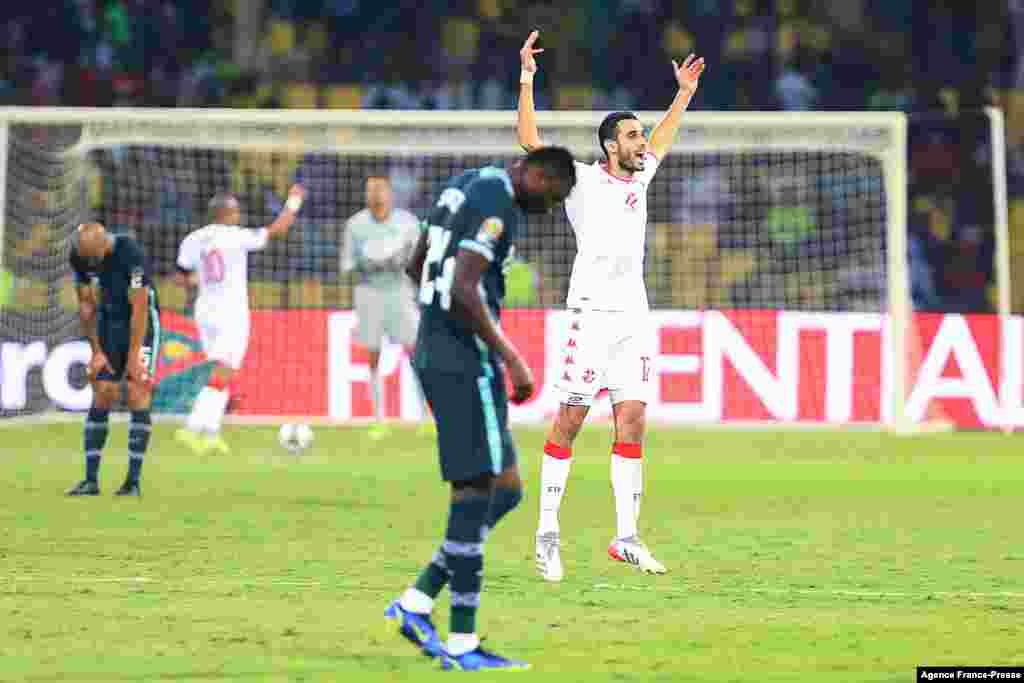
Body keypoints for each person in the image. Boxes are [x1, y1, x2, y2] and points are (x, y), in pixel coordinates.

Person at [517, 29, 705, 580]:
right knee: (570, 421)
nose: (642, 142)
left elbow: (666, 136)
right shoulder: (577, 180)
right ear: (609, 146)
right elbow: (529, 138)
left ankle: (626, 538)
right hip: (590, 315)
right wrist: (527, 77)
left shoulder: (643, 173)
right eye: (632, 136)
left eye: (641, 135)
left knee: (633, 420)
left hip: (633, 318)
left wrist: (684, 95)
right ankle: (547, 535)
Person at [384, 146, 577, 671]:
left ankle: (416, 602)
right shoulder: (497, 198)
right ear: (537, 175)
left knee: (507, 490)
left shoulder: (462, 182)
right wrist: (512, 357)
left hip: (437, 348)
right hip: (465, 359)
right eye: (553, 196)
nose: (551, 207)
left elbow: (416, 263)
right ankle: (463, 644)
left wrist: (437, 323)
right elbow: (466, 287)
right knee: (475, 492)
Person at [173, 185, 305, 454]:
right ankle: (191, 428)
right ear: (227, 214)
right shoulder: (237, 236)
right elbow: (278, 229)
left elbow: (180, 276)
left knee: (224, 370)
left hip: (204, 312)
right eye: (236, 211)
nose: (239, 215)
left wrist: (197, 280)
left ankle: (210, 435)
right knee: (224, 372)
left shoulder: (193, 239)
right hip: (230, 313)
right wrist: (294, 202)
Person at [66, 223, 161, 497]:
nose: (90, 264)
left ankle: (132, 482)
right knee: (103, 392)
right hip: (109, 322)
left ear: (104, 243)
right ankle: (90, 481)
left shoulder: (130, 253)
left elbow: (140, 307)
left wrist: (133, 356)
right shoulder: (80, 256)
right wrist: (95, 351)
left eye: (94, 258)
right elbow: (86, 307)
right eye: (86, 259)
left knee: (136, 391)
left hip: (141, 325)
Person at [341, 174, 427, 437]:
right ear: (367, 196)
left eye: (381, 191)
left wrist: (401, 260)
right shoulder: (355, 225)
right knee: (373, 355)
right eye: (371, 192)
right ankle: (379, 420)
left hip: (400, 291)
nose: (376, 196)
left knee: (417, 353)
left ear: (390, 194)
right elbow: (346, 265)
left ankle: (425, 417)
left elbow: (421, 260)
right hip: (369, 292)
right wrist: (369, 262)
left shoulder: (408, 223)